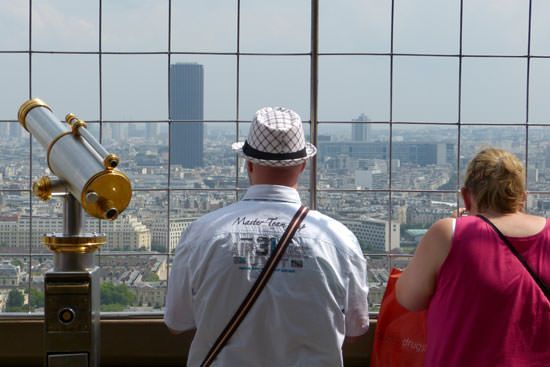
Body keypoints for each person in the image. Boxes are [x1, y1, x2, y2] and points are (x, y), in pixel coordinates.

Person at [164, 106, 369, 366]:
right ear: (302, 165)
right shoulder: (338, 239)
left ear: (248, 164)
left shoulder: (203, 233)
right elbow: (357, 328)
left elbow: (176, 322)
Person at [395, 147, 550, 367]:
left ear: (467, 197)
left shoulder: (449, 234)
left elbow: (409, 298)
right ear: (523, 198)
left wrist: (454, 227)